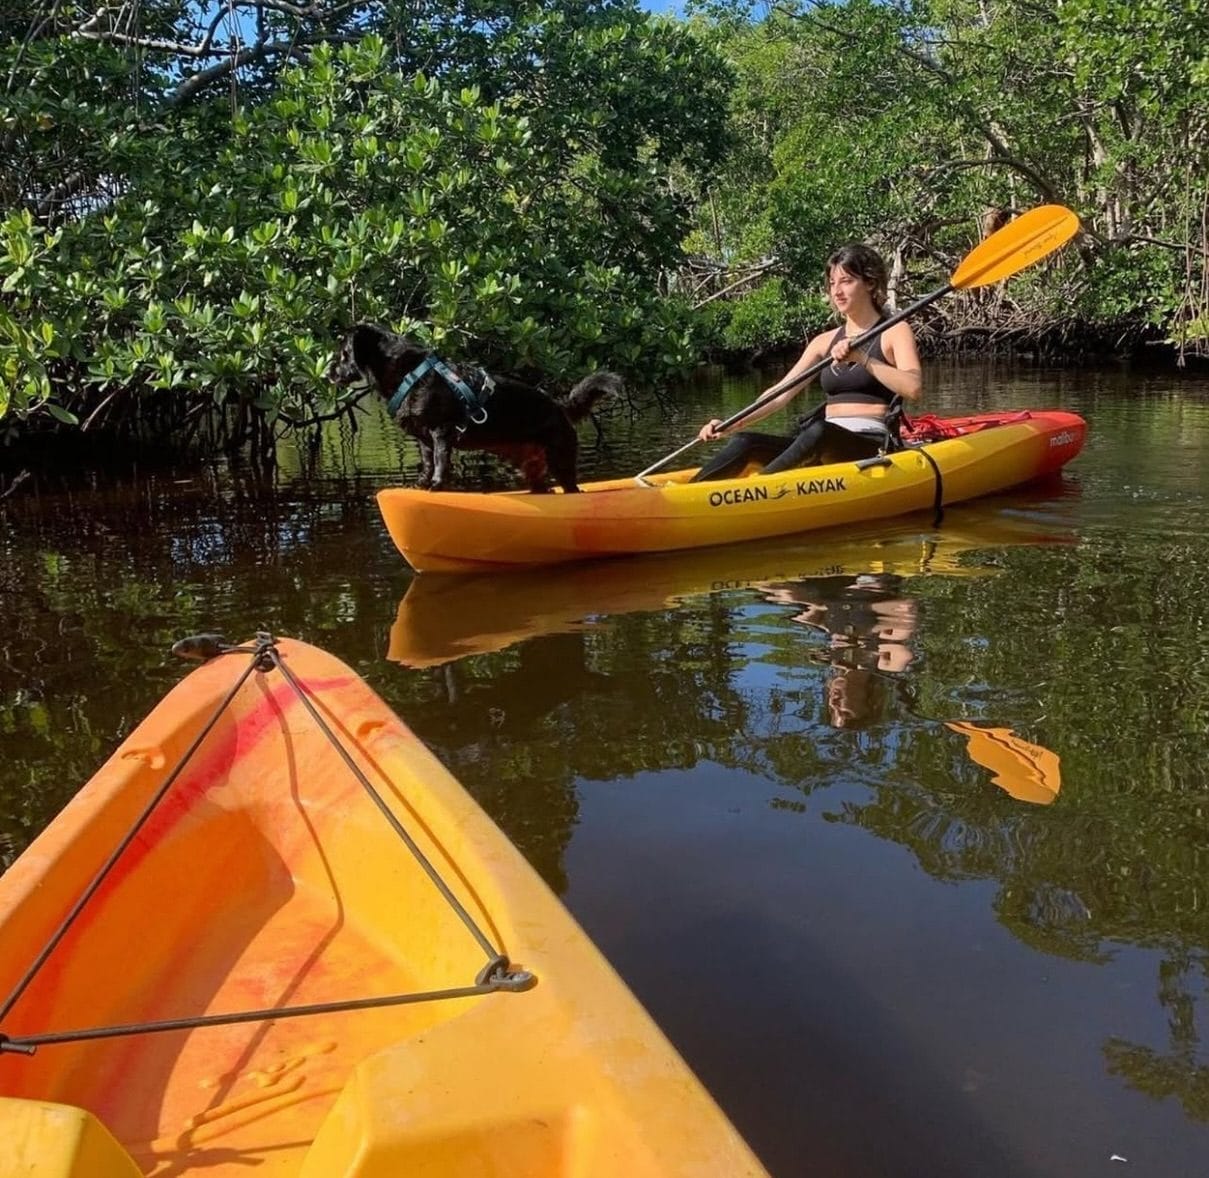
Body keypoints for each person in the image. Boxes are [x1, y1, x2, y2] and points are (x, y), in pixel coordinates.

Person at [691, 243, 923, 482]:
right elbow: (780, 393)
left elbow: (913, 387)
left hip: (870, 443)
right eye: (832, 283)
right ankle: (690, 493)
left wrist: (862, 359)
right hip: (823, 442)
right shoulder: (823, 341)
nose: (837, 291)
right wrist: (731, 424)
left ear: (870, 283)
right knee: (746, 441)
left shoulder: (895, 331)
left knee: (820, 431)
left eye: (846, 281)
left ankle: (759, 488)